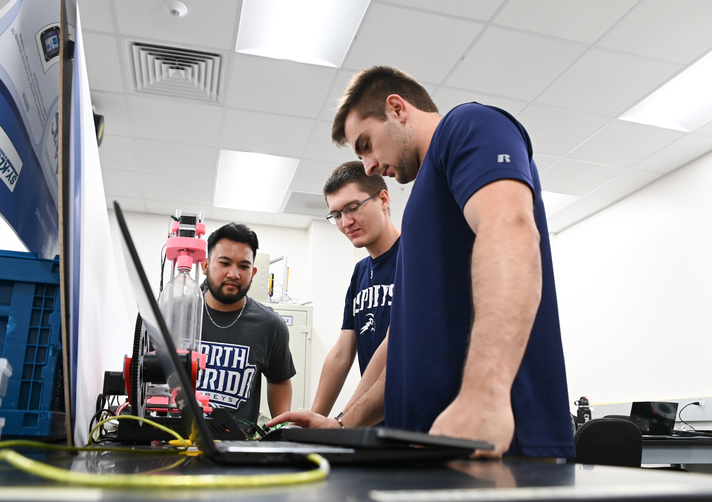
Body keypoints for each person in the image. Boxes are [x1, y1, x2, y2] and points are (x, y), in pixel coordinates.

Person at [270, 66, 575, 459]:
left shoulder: (468, 125)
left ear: (397, 109)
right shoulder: (420, 207)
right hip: (429, 446)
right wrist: (344, 424)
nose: (369, 167)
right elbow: (401, 342)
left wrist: (484, 396)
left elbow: (510, 230)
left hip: (490, 444)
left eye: (366, 145)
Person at [310, 161, 400, 418]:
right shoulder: (360, 272)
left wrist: (345, 420)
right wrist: (314, 421)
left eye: (352, 208)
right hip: (372, 419)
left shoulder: (414, 256)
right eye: (336, 215)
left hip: (413, 418)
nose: (346, 222)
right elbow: (342, 353)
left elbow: (394, 345)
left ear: (383, 198)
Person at [196, 222, 295, 428]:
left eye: (243, 266)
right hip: (175, 441)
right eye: (224, 263)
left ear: (254, 271)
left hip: (237, 449)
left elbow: (279, 379)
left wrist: (279, 432)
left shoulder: (270, 325)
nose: (234, 274)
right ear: (205, 265)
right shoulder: (179, 314)